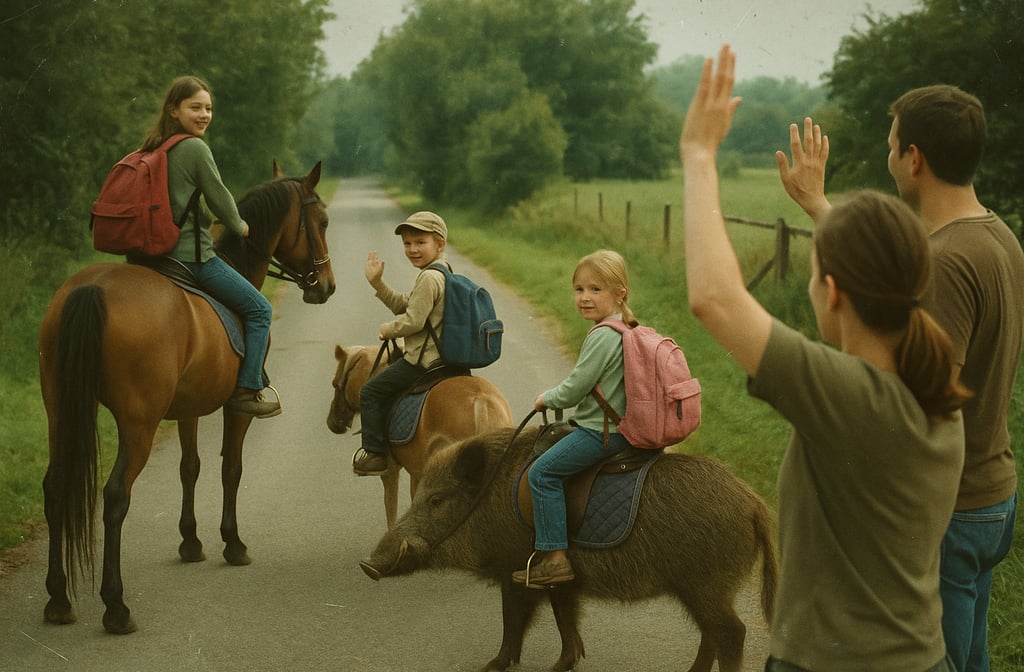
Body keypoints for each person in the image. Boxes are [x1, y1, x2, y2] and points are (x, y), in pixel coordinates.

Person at [680, 45, 969, 671]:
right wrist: (820, 207)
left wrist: (699, 155)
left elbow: (714, 298)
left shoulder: (851, 398)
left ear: (832, 292)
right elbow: (882, 273)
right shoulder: (932, 390)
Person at [776, 86, 1023, 672]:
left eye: (891, 147)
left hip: (951, 511)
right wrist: (819, 206)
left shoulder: (943, 261)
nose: (889, 160)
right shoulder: (997, 236)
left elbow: (912, 399)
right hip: (992, 493)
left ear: (914, 158)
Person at [140, 75, 279, 418]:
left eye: (208, 108)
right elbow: (219, 196)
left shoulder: (156, 146)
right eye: (195, 107)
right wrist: (239, 225)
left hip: (154, 256)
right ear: (174, 110)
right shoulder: (194, 148)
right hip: (191, 258)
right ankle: (248, 389)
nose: (204, 115)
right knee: (261, 310)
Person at [511, 249, 638, 588]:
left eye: (596, 289)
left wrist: (545, 399)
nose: (584, 297)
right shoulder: (625, 328)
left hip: (601, 432)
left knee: (541, 474)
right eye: (579, 289)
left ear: (619, 293)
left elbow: (573, 390)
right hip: (621, 426)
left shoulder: (602, 336)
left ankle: (555, 558)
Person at [353, 211, 450, 476]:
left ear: (439, 244)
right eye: (407, 243)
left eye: (420, 242)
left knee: (370, 392)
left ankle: (375, 454)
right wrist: (377, 283)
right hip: (447, 360)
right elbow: (406, 305)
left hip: (424, 361)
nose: (412, 249)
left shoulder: (429, 278)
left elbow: (414, 321)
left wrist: (389, 330)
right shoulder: (442, 272)